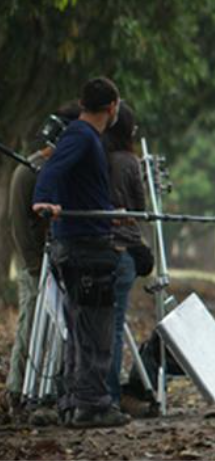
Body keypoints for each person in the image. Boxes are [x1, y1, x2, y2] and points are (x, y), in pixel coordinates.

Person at [32, 77, 130, 428]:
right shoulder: (80, 135)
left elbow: (81, 188)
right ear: (112, 107)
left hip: (88, 238)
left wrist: (108, 215)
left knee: (82, 327)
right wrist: (43, 199)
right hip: (83, 250)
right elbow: (53, 169)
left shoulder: (87, 138)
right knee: (94, 330)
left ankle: (76, 402)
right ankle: (91, 405)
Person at [5, 103, 81, 426]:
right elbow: (21, 229)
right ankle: (17, 392)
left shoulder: (63, 170)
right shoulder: (28, 172)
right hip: (37, 267)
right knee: (30, 328)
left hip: (59, 266)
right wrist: (36, 268)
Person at [101, 101, 148, 410]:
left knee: (89, 327)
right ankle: (111, 397)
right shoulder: (129, 163)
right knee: (115, 327)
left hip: (90, 248)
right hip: (121, 252)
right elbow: (140, 208)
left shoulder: (93, 157)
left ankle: (90, 394)